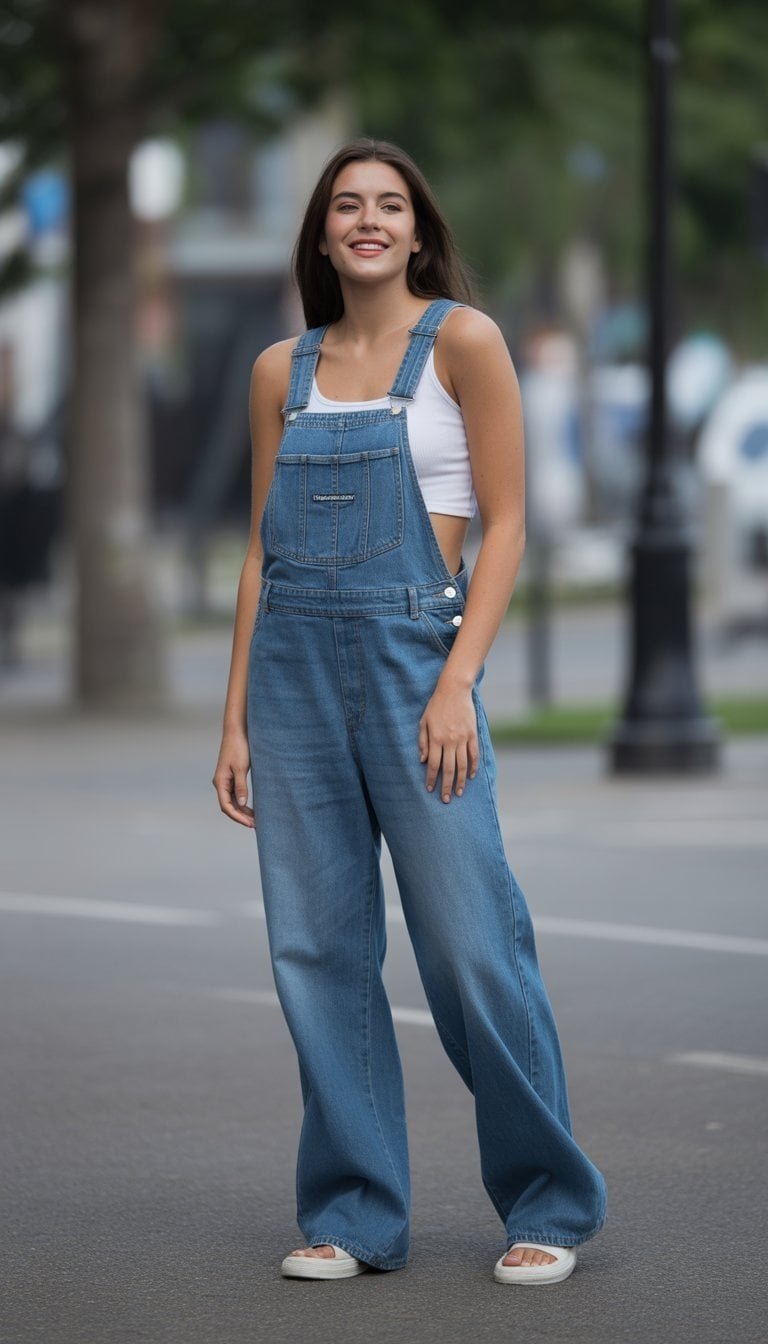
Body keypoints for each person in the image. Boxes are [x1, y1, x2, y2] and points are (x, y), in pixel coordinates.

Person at [213, 137, 607, 1284]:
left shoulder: (466, 345)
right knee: (317, 951)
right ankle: (352, 1214)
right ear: (324, 234)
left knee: (473, 946)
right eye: (348, 206)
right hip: (289, 671)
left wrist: (456, 684)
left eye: (390, 205)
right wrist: (235, 718)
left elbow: (508, 524)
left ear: (420, 231)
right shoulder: (278, 369)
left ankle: (550, 1201)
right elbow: (257, 549)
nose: (370, 221)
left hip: (413, 661)